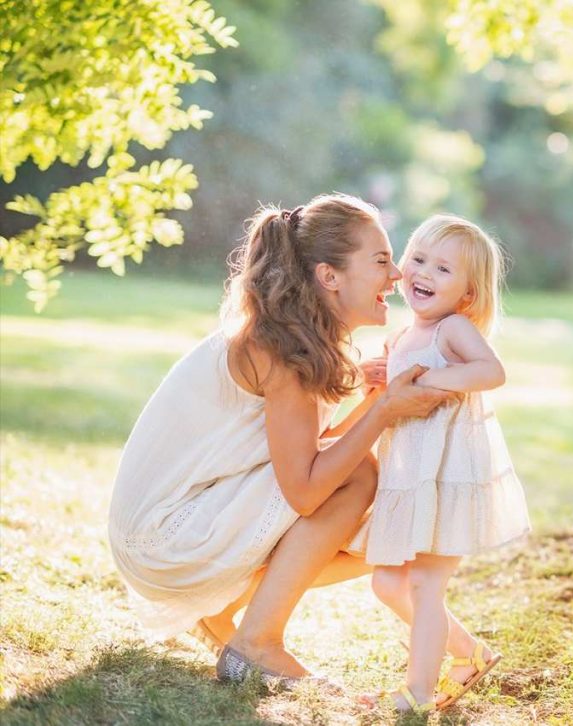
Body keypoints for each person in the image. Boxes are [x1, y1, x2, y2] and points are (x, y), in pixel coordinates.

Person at [107, 193, 473, 687]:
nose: (398, 276)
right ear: (329, 276)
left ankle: (224, 612)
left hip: (174, 524)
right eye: (382, 260)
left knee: (382, 511)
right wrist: (383, 412)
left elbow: (310, 453)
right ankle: (257, 642)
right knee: (361, 475)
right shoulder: (280, 349)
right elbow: (305, 489)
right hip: (164, 537)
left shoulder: (297, 337)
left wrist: (372, 399)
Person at [348, 214, 531, 714]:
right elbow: (398, 392)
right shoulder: (405, 333)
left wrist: (432, 381)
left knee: (427, 586)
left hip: (449, 477)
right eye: (420, 260)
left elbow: (491, 372)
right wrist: (381, 378)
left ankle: (417, 694)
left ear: (467, 294)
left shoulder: (452, 328)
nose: (425, 273)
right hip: (411, 476)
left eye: (444, 269)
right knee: (387, 583)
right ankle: (471, 654)